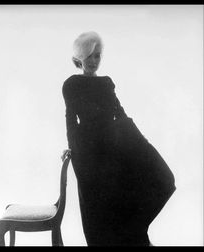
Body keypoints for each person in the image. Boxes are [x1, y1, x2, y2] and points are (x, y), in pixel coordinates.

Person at [62, 31, 176, 246]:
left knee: (164, 180)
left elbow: (120, 113)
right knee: (102, 213)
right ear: (79, 58)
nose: (94, 61)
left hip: (114, 150)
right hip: (91, 156)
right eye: (89, 56)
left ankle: (135, 234)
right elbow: (70, 120)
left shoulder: (106, 83)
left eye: (97, 55)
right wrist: (73, 149)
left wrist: (141, 141)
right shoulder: (71, 85)